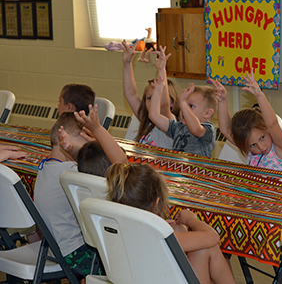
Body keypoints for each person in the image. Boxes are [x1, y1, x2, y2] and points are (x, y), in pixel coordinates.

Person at [106, 162, 236, 284]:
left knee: (182, 232)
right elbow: (212, 237)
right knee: (205, 247)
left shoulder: (117, 228)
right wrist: (191, 220)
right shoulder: (158, 236)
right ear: (157, 203)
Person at [34, 112, 93, 281]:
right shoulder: (71, 173)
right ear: (67, 142)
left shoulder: (43, 168)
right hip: (75, 254)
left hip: (54, 249)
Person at [215, 71, 282, 172]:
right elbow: (226, 129)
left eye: (262, 138)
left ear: (267, 129)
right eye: (253, 145)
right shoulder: (252, 152)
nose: (261, 147)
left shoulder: (279, 148)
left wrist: (260, 96)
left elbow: (272, 124)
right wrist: (222, 101)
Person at [122, 40, 180, 149]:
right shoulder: (146, 121)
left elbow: (163, 104)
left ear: (171, 103)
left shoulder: (169, 123)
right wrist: (127, 64)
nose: (153, 101)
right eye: (149, 98)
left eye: (157, 96)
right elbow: (131, 94)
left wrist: (161, 70)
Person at [149, 77, 217, 157]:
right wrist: (157, 90)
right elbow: (154, 116)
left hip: (195, 169)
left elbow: (195, 129)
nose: (183, 109)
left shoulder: (208, 129)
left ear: (207, 113)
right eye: (183, 105)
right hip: (177, 168)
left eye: (191, 106)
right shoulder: (178, 127)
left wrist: (183, 102)